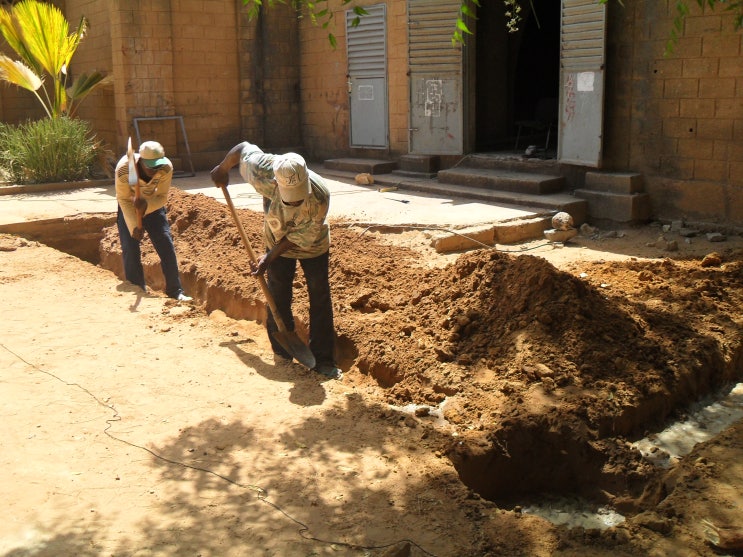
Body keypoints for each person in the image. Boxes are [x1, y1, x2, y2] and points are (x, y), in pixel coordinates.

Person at [210, 142, 341, 380]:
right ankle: (282, 354)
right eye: (289, 198)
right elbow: (242, 149)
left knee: (319, 294)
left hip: (313, 245)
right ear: (274, 183)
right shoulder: (261, 171)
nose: (293, 203)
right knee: (278, 293)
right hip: (276, 235)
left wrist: (269, 257)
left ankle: (324, 359)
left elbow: (298, 238)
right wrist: (222, 168)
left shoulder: (320, 196)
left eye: (298, 197)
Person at [115, 140, 192, 302]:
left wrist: (146, 207)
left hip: (153, 205)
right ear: (141, 161)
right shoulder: (124, 169)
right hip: (128, 207)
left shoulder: (166, 168)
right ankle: (136, 287)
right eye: (151, 167)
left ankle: (175, 290)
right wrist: (133, 225)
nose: (154, 171)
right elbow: (122, 198)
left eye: (157, 166)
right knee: (130, 246)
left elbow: (162, 197)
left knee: (166, 244)